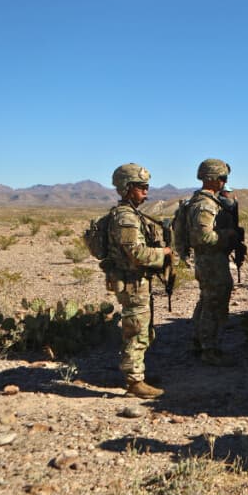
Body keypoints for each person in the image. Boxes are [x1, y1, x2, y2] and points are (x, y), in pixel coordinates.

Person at [106, 163, 173, 399]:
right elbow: (136, 253)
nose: (146, 190)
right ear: (126, 188)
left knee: (143, 329)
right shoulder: (126, 217)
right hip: (131, 281)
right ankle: (134, 381)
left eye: (146, 186)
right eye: (140, 186)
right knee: (135, 330)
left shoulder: (132, 214)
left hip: (137, 281)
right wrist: (164, 253)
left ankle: (138, 373)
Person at [187, 158, 241, 366]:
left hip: (209, 260)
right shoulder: (205, 205)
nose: (224, 182)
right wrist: (228, 235)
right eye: (222, 177)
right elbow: (204, 237)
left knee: (207, 300)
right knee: (214, 304)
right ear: (211, 178)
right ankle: (210, 350)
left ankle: (198, 341)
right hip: (211, 261)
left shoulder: (203, 201)